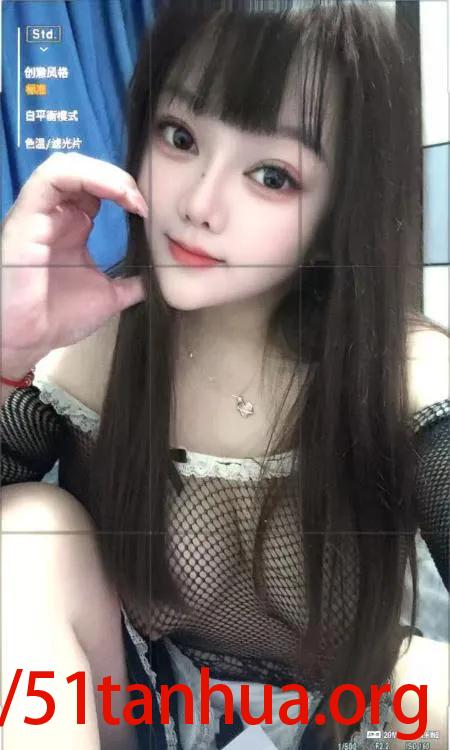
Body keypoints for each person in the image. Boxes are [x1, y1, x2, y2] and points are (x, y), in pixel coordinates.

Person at [1, 1, 449, 748]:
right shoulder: (91, 352)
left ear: (341, 209)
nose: (199, 204)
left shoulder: (399, 375)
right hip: (138, 708)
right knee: (26, 529)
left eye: (272, 175)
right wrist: (7, 352)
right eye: (180, 137)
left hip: (344, 720)